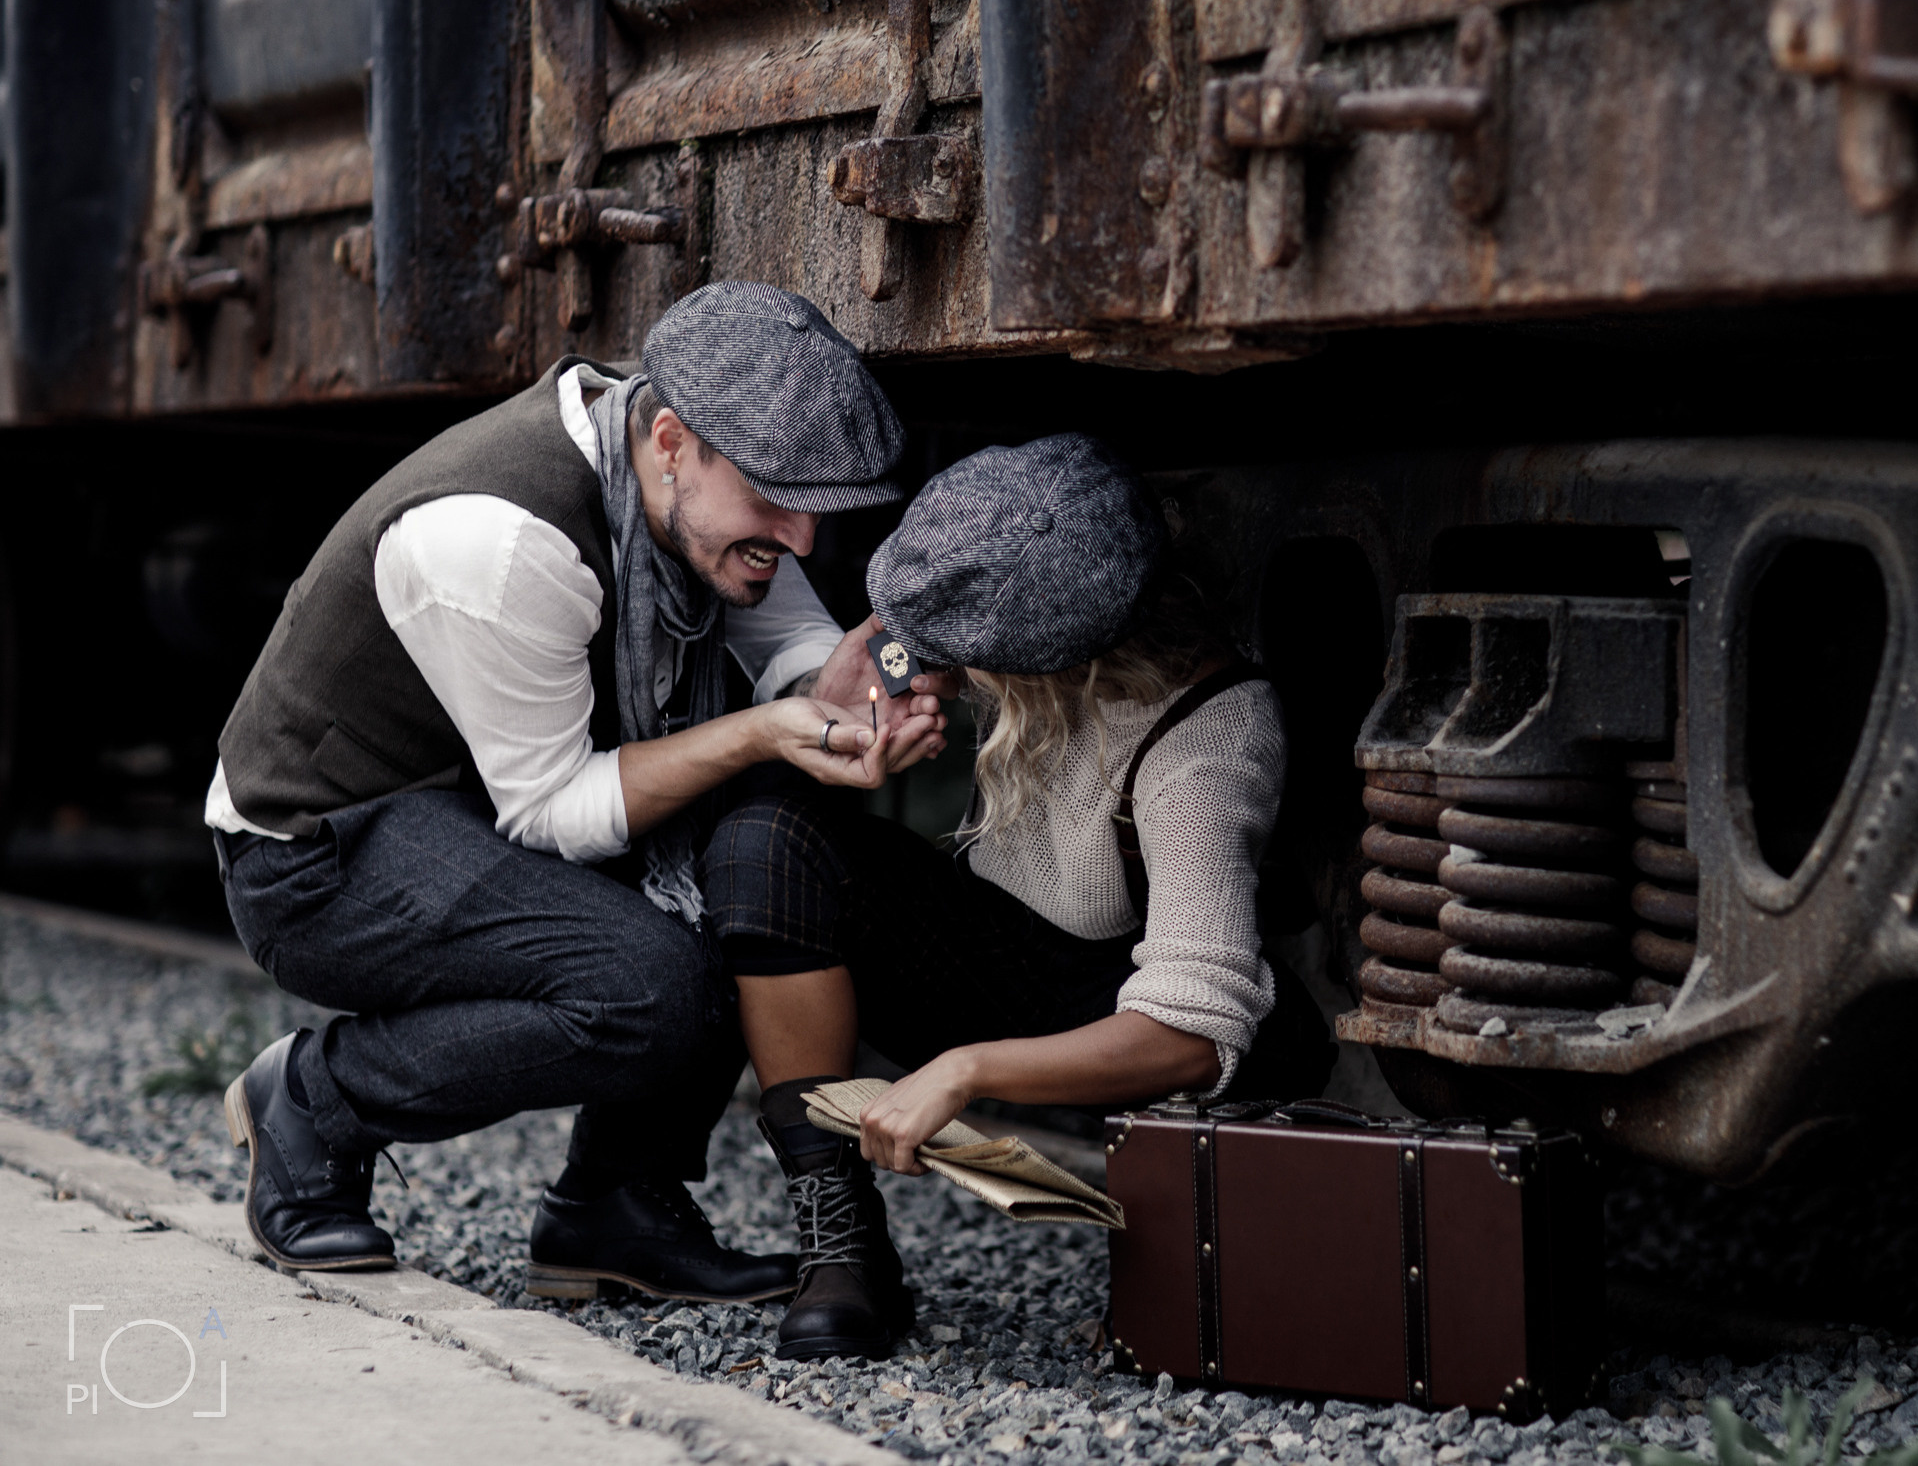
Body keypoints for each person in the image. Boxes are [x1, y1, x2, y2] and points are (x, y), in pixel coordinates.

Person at [206, 281, 949, 1304]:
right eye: (776, 500)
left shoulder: (672, 483)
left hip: (463, 805)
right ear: (674, 440)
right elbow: (553, 811)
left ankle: (615, 1205)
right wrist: (761, 730)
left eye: (815, 508)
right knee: (650, 985)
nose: (802, 538)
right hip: (319, 848)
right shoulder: (505, 540)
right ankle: (315, 1101)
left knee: (751, 867)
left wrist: (840, 699)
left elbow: (785, 645)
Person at [731, 432, 1335, 1364]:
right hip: (1003, 952)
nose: (935, 666)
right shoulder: (1027, 654)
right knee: (768, 832)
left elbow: (1195, 1027)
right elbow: (889, 660)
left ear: (1044, 660)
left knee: (1253, 1034)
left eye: (965, 658)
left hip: (1126, 1014)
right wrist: (841, 696)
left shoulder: (1207, 735)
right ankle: (840, 1242)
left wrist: (967, 1070)